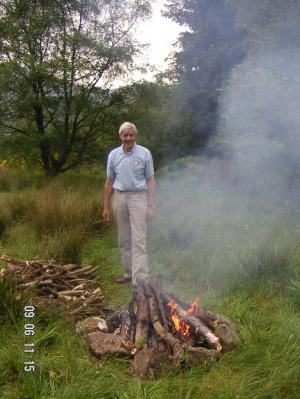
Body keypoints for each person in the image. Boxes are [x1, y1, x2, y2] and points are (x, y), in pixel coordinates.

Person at [103, 122, 156, 286]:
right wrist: (105, 207)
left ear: (135, 136)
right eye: (125, 135)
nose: (128, 138)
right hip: (119, 197)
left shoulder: (145, 153)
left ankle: (140, 278)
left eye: (131, 135)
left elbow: (151, 180)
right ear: (120, 136)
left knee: (139, 239)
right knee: (124, 239)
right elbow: (109, 181)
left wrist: (150, 205)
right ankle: (128, 273)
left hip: (139, 197)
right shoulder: (113, 155)